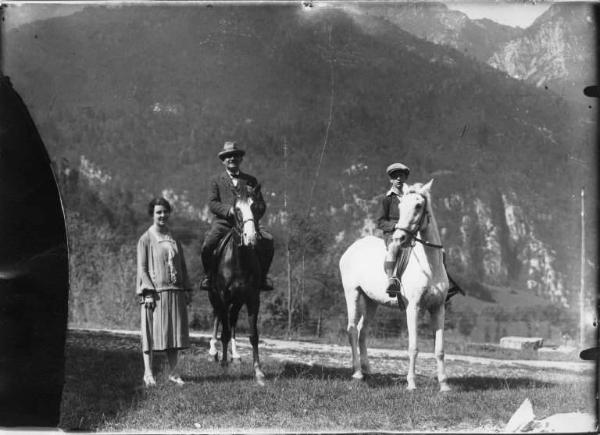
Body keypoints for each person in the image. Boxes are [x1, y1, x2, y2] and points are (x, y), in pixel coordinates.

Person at [376, 163, 463, 299]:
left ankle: (444, 283)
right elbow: (380, 222)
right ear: (391, 180)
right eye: (395, 177)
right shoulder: (388, 199)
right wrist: (395, 226)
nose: (399, 179)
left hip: (411, 233)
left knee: (440, 252)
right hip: (394, 234)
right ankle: (391, 281)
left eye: (402, 176)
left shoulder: (410, 195)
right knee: (394, 248)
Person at [200, 141, 274, 291]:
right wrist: (230, 211)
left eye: (235, 155)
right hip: (224, 224)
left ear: (240, 159)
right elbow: (213, 203)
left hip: (248, 224)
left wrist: (253, 215)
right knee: (207, 245)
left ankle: (263, 278)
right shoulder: (216, 181)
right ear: (223, 161)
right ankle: (209, 277)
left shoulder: (251, 181)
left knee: (268, 241)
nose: (232, 158)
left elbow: (261, 205)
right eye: (228, 156)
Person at [137, 197, 192, 386]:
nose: (162, 215)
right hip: (155, 294)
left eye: (165, 211)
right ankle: (148, 373)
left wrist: (186, 288)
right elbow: (142, 268)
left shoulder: (174, 237)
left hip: (174, 292)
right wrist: (148, 292)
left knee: (173, 335)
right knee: (150, 333)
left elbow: (182, 265)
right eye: (158, 212)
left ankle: (174, 373)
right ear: (152, 214)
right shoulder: (145, 239)